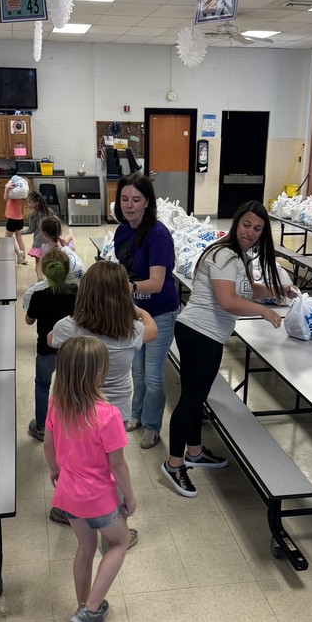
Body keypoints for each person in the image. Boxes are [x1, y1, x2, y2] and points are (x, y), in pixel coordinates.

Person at [162, 201, 289, 498]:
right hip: (198, 333)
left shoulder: (239, 256)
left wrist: (279, 291)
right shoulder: (223, 254)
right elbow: (228, 301)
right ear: (236, 223)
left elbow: (247, 290)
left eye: (257, 229)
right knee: (190, 400)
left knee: (197, 397)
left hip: (209, 335)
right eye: (246, 225)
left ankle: (194, 452)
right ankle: (174, 464)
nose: (250, 232)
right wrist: (264, 311)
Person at [48, 261, 158, 529]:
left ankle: (70, 507)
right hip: (114, 409)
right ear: (123, 295)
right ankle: (114, 523)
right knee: (112, 464)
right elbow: (153, 330)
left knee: (73, 458)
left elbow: (51, 338)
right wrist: (137, 310)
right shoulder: (132, 331)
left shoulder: (68, 327)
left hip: (72, 403)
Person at [43, 336, 136, 622]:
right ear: (99, 374)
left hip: (68, 494)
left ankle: (83, 606)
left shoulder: (56, 404)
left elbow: (48, 444)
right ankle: (91, 611)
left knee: (85, 548)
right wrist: (130, 496)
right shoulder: (107, 415)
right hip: (98, 498)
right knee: (119, 542)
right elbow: (117, 464)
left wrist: (55, 470)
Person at [114, 173, 179, 450]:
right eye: (124, 199)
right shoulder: (122, 231)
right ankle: (137, 414)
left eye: (136, 200)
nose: (129, 205)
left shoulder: (158, 235)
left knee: (153, 374)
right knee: (136, 370)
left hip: (160, 311)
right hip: (134, 311)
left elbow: (156, 283)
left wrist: (122, 287)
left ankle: (152, 426)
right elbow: (123, 269)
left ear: (147, 202)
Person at [25, 248, 78, 441]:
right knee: (72, 386)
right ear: (67, 270)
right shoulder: (75, 292)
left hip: (46, 350)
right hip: (71, 350)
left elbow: (29, 320)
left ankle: (41, 426)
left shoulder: (39, 295)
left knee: (42, 384)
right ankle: (72, 426)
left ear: (46, 271)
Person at [23, 191, 58, 280]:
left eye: (29, 202)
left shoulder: (33, 214)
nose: (28, 204)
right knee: (49, 262)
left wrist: (20, 232)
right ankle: (50, 278)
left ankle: (40, 278)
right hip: (50, 242)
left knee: (38, 263)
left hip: (38, 244)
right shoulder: (49, 211)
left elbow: (31, 230)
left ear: (37, 203)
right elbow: (56, 222)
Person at [40, 216, 84, 283]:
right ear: (60, 231)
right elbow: (72, 243)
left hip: (55, 282)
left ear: (45, 234)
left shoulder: (44, 248)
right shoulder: (68, 246)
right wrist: (67, 239)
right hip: (72, 282)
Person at [4, 174, 29, 265]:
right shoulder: (22, 195)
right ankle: (23, 258)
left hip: (12, 218)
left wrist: (7, 188)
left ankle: (18, 253)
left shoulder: (13, 193)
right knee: (19, 238)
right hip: (19, 218)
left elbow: (5, 197)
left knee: (8, 238)